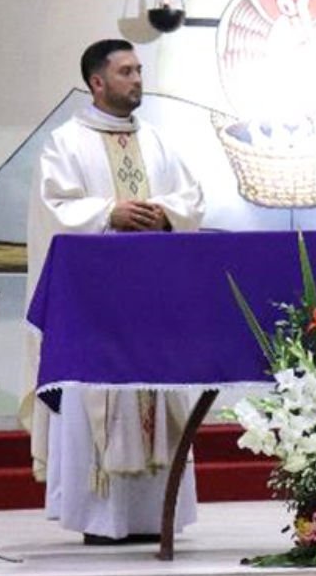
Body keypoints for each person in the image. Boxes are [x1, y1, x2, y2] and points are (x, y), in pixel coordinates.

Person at [23, 38, 206, 544]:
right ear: (97, 82)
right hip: (95, 310)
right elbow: (53, 209)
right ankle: (103, 520)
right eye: (126, 71)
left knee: (160, 398)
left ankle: (156, 517)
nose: (137, 79)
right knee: (99, 402)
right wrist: (109, 213)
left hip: (153, 304)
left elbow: (192, 197)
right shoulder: (66, 143)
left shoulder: (159, 142)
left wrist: (165, 213)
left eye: (139, 70)